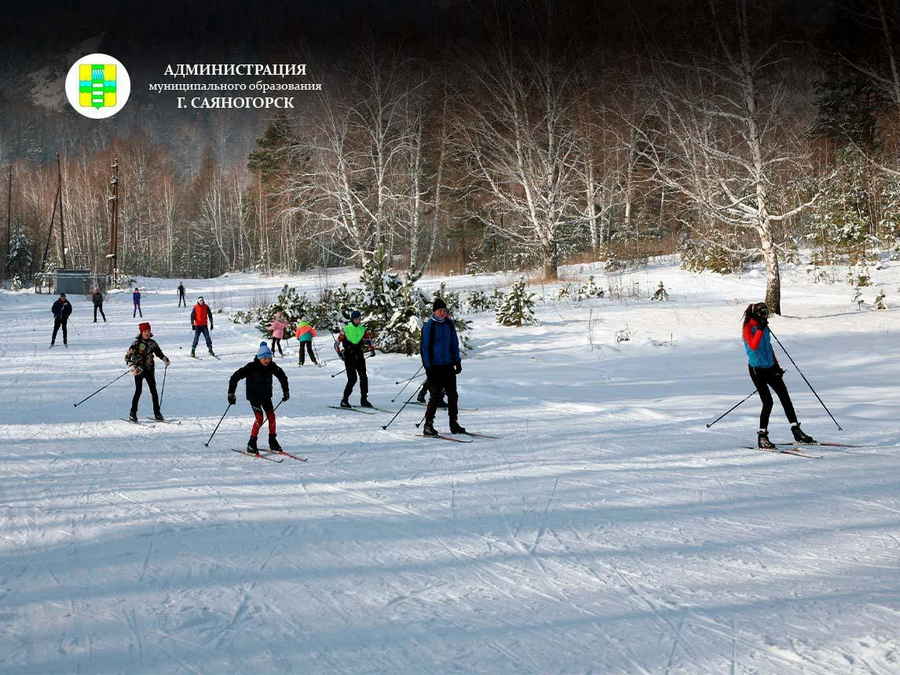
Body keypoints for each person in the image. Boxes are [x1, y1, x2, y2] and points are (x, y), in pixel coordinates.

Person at [743, 302, 815, 449]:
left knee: (784, 396)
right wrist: (760, 329)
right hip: (756, 369)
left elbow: (768, 347)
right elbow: (753, 345)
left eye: (766, 313)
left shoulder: (763, 326)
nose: (765, 316)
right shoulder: (748, 327)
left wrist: (776, 366)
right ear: (756, 314)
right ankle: (762, 436)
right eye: (762, 313)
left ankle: (796, 430)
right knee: (768, 402)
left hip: (770, 367)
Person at [227, 342, 290, 454]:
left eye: (269, 358)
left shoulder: (272, 366)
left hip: (266, 396)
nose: (267, 360)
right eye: (264, 358)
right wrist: (231, 393)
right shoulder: (251, 367)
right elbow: (234, 377)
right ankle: (252, 443)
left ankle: (272, 441)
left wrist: (286, 391)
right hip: (254, 397)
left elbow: (282, 377)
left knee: (271, 417)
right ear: (259, 357)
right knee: (260, 418)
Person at [420, 297, 465, 436]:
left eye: (444, 311)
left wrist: (457, 361)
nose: (442, 313)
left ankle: (454, 423)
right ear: (434, 312)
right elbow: (424, 348)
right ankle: (428, 425)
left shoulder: (449, 324)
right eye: (440, 311)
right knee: (435, 396)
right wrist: (428, 367)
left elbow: (453, 344)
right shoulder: (429, 326)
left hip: (448, 365)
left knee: (453, 395)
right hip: (434, 367)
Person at [125, 321, 170, 422]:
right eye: (145, 331)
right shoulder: (136, 343)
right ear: (141, 332)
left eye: (148, 331)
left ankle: (157, 413)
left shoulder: (152, 343)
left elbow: (159, 353)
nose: (147, 333)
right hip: (139, 370)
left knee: (154, 391)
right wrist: (132, 367)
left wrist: (165, 359)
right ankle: (133, 414)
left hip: (150, 370)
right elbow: (127, 357)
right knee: (138, 391)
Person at [336, 310, 374, 408]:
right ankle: (344, 400)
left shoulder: (363, 329)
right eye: (356, 319)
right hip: (349, 356)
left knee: (364, 378)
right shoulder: (346, 329)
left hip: (359, 356)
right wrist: (340, 354)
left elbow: (368, 340)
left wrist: (371, 349)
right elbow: (336, 344)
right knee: (352, 379)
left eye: (359, 319)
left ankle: (364, 400)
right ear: (352, 319)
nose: (358, 321)